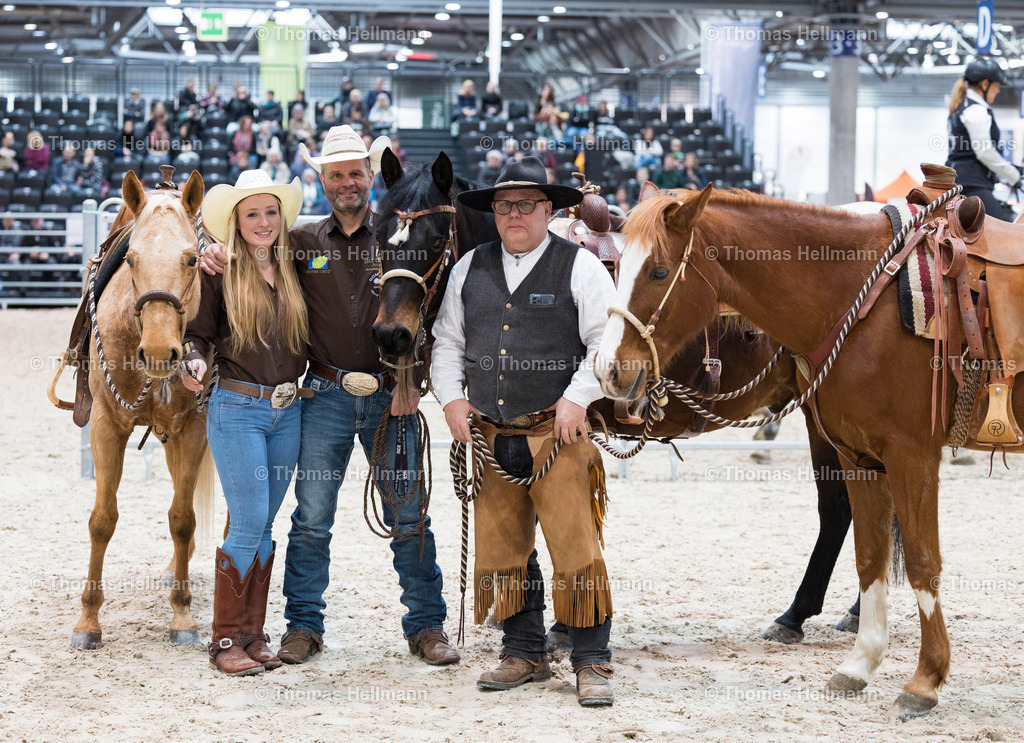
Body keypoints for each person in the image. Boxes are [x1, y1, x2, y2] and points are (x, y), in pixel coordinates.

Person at [199, 125, 458, 667]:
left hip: (393, 395)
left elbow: (431, 308)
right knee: (312, 517)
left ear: (370, 177)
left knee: (409, 514)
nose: (346, 183)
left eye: (355, 173)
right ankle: (303, 625)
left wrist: (412, 381)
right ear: (323, 180)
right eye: (335, 174)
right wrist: (209, 253)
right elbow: (252, 248)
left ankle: (427, 625)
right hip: (323, 395)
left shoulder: (399, 233)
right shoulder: (302, 242)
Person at [432, 156, 617, 707]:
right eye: (505, 205)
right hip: (490, 436)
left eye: (527, 205)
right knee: (504, 548)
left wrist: (577, 397)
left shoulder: (579, 267)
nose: (515, 214)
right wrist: (452, 399)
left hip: (557, 436)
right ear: (493, 211)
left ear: (548, 210)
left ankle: (592, 662)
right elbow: (447, 344)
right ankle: (524, 652)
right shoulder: (469, 267)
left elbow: (605, 343)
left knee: (575, 546)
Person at [182, 170, 308, 677]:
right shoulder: (218, 271)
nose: (263, 221)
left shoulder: (296, 266)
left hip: (288, 409)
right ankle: (225, 638)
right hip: (237, 408)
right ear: (235, 220)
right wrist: (191, 359)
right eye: (252, 213)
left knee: (263, 524)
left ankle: (254, 635)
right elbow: (197, 333)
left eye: (270, 211)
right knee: (250, 519)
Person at [946, 56, 1022, 221]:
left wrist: (1010, 168)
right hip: (972, 186)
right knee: (1007, 226)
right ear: (985, 84)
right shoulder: (977, 111)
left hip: (960, 181)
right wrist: (1014, 176)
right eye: (996, 86)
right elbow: (985, 152)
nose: (998, 90)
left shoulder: (962, 107)